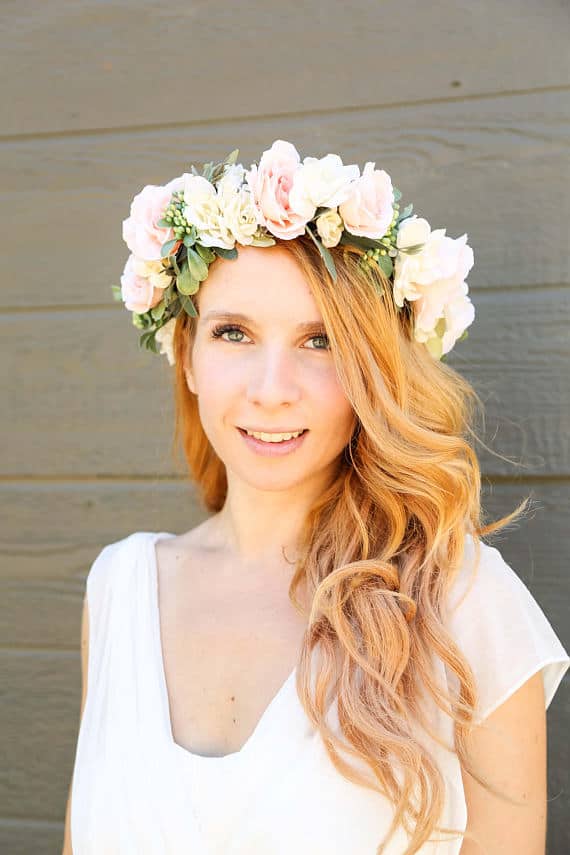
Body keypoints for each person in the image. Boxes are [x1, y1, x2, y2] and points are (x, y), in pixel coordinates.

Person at [62, 141, 569, 854]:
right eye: (233, 331)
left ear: (371, 370)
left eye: (320, 341)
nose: (272, 388)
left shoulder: (462, 601)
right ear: (187, 352)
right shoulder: (117, 588)